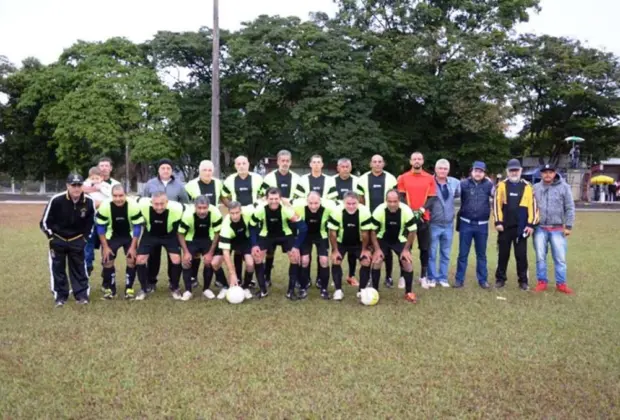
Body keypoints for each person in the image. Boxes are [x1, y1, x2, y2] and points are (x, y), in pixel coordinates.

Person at [40, 174, 96, 306]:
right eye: (73, 185)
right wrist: (52, 237)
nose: (76, 188)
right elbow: (44, 222)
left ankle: (81, 295)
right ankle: (60, 296)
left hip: (77, 240)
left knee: (79, 268)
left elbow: (92, 223)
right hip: (58, 239)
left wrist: (84, 239)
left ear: (82, 186)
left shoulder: (88, 201)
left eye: (79, 185)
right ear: (67, 186)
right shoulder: (56, 200)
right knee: (57, 268)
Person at [259, 150, 306, 288]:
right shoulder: (268, 178)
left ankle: (295, 279)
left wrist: (286, 201)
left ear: (290, 162)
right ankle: (267, 276)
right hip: (271, 217)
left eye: (287, 161)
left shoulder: (297, 178)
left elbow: (300, 198)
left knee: (293, 250)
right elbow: (262, 196)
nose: (285, 163)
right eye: (282, 160)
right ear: (278, 161)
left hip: (289, 218)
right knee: (269, 250)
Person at [250, 188, 308, 300]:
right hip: (266, 235)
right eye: (271, 199)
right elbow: (252, 225)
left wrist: (296, 246)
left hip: (285, 235)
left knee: (295, 257)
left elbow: (303, 227)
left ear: (280, 199)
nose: (273, 201)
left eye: (276, 199)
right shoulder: (260, 210)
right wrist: (254, 244)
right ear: (266, 199)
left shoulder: (286, 210)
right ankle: (263, 290)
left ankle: (290, 291)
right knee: (257, 258)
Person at [142, 158, 189, 290]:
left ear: (171, 170)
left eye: (168, 168)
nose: (166, 170)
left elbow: (185, 204)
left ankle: (173, 282)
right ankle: (151, 282)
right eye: (163, 168)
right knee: (153, 255)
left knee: (173, 255)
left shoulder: (179, 186)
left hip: (171, 226)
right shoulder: (150, 184)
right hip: (153, 225)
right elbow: (144, 201)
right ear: (158, 170)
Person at [493, 159, 538, 290]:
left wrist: (530, 224)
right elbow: (496, 204)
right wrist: (498, 222)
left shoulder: (527, 186)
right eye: (511, 170)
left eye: (516, 170)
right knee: (503, 255)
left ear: (521, 171)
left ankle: (523, 281)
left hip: (521, 228)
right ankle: (500, 279)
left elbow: (533, 206)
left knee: (521, 256)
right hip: (505, 228)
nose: (514, 173)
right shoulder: (501, 185)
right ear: (507, 171)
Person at [356, 154, 399, 288]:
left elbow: (394, 197)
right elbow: (361, 199)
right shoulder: (363, 179)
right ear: (370, 164)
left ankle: (389, 276)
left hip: (386, 218)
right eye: (374, 161)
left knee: (387, 248)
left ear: (383, 164)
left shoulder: (391, 178)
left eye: (380, 162)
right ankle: (368, 277)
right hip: (369, 219)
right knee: (369, 247)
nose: (377, 164)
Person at [533, 163, 575, 294]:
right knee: (540, 257)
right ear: (541, 174)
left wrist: (568, 226)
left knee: (560, 258)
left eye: (550, 172)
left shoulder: (564, 187)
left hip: (557, 228)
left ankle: (561, 284)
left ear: (555, 173)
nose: (547, 174)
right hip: (539, 228)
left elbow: (570, 207)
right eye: (545, 172)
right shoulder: (535, 188)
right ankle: (542, 282)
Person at [134, 192, 185, 300]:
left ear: (167, 202)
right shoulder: (142, 203)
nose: (159, 207)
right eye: (156, 204)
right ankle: (144, 288)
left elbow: (191, 209)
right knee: (140, 259)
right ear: (151, 202)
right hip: (150, 235)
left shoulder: (178, 207)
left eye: (162, 204)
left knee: (176, 259)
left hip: (169, 235)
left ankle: (175, 287)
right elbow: (129, 199)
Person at [397, 152, 437, 289]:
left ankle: (423, 277)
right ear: (410, 161)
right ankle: (403, 276)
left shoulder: (430, 178)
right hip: (406, 219)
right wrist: (409, 211)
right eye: (414, 159)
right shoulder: (403, 177)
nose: (417, 161)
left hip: (423, 219)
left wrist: (421, 210)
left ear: (423, 161)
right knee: (405, 248)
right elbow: (400, 196)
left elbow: (432, 198)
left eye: (419, 158)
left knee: (424, 249)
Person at [95, 184, 143, 299]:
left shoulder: (133, 205)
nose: (118, 199)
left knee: (132, 260)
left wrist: (133, 246)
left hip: (129, 236)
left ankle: (129, 289)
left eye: (121, 195)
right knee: (107, 261)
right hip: (112, 236)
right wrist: (105, 247)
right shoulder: (105, 205)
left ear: (125, 195)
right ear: (111, 196)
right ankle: (110, 290)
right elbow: (100, 228)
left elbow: (137, 226)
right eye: (115, 196)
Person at [369, 190, 418, 302]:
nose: (392, 204)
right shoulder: (379, 210)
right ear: (386, 201)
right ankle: (374, 290)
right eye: (389, 201)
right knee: (377, 260)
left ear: (399, 201)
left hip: (399, 239)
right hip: (382, 239)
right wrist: (376, 249)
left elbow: (412, 231)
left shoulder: (406, 210)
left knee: (407, 262)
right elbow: (373, 231)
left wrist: (406, 250)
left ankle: (409, 292)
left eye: (395, 201)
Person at [327, 192, 374, 301]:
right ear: (343, 203)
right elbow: (332, 233)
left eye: (354, 203)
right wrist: (335, 250)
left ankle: (362, 290)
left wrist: (364, 250)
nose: (351, 206)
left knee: (366, 260)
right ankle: (338, 290)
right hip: (341, 242)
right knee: (335, 260)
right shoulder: (336, 211)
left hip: (358, 243)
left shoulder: (365, 211)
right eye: (348, 203)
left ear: (358, 202)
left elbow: (365, 233)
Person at [454, 161, 494, 289]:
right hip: (466, 223)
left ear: (484, 173)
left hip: (482, 225)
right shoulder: (463, 184)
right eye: (476, 170)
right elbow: (453, 194)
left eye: (481, 171)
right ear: (472, 171)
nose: (478, 173)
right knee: (463, 254)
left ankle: (483, 280)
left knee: (481, 254)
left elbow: (498, 196)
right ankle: (459, 280)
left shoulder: (489, 185)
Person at [177, 195, 225, 301]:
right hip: (192, 238)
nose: (202, 211)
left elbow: (217, 232)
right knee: (186, 262)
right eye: (199, 208)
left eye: (204, 208)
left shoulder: (215, 212)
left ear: (208, 206)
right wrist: (186, 252)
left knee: (209, 261)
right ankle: (188, 291)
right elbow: (180, 233)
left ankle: (206, 289)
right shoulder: (188, 214)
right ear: (195, 206)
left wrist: (210, 252)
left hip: (209, 238)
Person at [298, 155, 335, 288]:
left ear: (322, 164)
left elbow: (333, 201)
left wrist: (319, 204)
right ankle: (305, 280)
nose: (316, 164)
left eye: (319, 162)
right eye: (314, 162)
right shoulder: (303, 180)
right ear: (310, 164)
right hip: (307, 219)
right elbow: (298, 199)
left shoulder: (329, 180)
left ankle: (321, 279)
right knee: (305, 258)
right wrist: (311, 203)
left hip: (321, 220)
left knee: (323, 258)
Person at [293, 191, 334, 300]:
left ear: (320, 201)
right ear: (307, 201)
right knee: (304, 260)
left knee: (324, 260)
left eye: (316, 203)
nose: (313, 206)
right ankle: (303, 287)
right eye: (310, 203)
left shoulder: (328, 209)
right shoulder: (299, 208)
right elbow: (288, 207)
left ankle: (324, 289)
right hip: (305, 236)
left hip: (321, 236)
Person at [426, 159, 460, 288]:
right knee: (432, 252)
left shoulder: (455, 183)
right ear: (435, 169)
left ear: (448, 170)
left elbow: (458, 195)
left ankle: (443, 277)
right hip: (434, 223)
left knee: (445, 253)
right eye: (440, 168)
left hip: (448, 224)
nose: (442, 171)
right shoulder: (429, 182)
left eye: (445, 169)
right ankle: (432, 277)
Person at [327, 157, 360, 287]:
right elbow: (329, 199)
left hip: (353, 217)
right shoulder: (331, 181)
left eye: (347, 167)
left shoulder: (357, 181)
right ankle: (335, 279)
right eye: (342, 167)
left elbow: (359, 199)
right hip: (337, 217)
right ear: (338, 168)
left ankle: (351, 276)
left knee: (352, 249)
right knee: (337, 248)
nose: (345, 169)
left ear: (351, 168)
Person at [219, 201, 256, 300]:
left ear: (241, 211)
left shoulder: (248, 211)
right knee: (217, 262)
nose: (235, 216)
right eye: (232, 213)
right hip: (232, 240)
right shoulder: (226, 226)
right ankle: (227, 286)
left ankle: (246, 286)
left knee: (250, 264)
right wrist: (232, 273)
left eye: (237, 213)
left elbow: (259, 203)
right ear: (228, 212)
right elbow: (226, 253)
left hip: (245, 240)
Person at [83, 166, 112, 275]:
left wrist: (100, 187)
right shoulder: (86, 185)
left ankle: (106, 271)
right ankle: (88, 266)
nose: (95, 180)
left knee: (106, 244)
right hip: (90, 219)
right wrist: (91, 186)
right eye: (92, 178)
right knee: (88, 244)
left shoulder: (106, 186)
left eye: (97, 178)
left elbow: (111, 197)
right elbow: (81, 190)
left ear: (102, 178)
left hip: (104, 218)